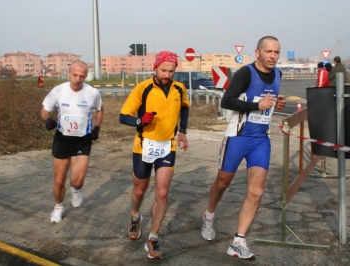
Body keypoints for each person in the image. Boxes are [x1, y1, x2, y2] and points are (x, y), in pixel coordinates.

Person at [201, 36, 286, 260]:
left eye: (276, 52)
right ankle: (209, 215)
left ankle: (238, 241)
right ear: (257, 53)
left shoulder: (278, 74)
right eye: (268, 52)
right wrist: (257, 105)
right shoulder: (246, 73)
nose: (273, 56)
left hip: (260, 139)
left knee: (256, 191)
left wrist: (277, 103)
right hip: (238, 137)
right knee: (222, 182)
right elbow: (227, 101)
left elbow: (268, 101)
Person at [119, 50, 190, 259]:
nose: (167, 75)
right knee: (140, 190)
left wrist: (183, 131)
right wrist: (140, 121)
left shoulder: (179, 88)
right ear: (155, 68)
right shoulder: (143, 89)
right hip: (143, 146)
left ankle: (153, 239)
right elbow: (123, 116)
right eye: (163, 70)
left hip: (168, 146)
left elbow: (184, 107)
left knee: (161, 193)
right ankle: (135, 216)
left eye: (171, 71)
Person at [41, 60, 104, 223]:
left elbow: (100, 109)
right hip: (62, 139)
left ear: (85, 77)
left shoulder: (92, 93)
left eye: (81, 76)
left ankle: (76, 190)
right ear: (68, 74)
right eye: (74, 75)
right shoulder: (58, 91)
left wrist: (97, 127)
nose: (77, 79)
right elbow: (45, 109)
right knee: (59, 180)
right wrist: (47, 119)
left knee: (76, 180)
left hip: (82, 140)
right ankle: (58, 207)